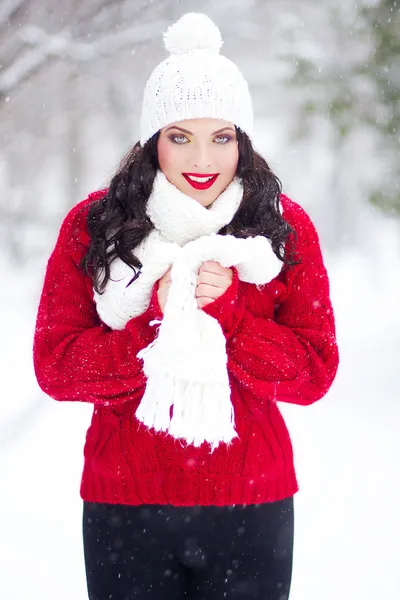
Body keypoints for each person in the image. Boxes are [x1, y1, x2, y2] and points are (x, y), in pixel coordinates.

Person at [33, 12, 339, 600]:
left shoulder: (281, 229)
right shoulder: (96, 227)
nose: (203, 158)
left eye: (221, 137)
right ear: (153, 141)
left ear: (242, 140)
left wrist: (227, 315)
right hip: (125, 503)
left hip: (252, 502)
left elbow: (312, 374)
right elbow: (57, 366)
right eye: (181, 136)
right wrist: (156, 317)